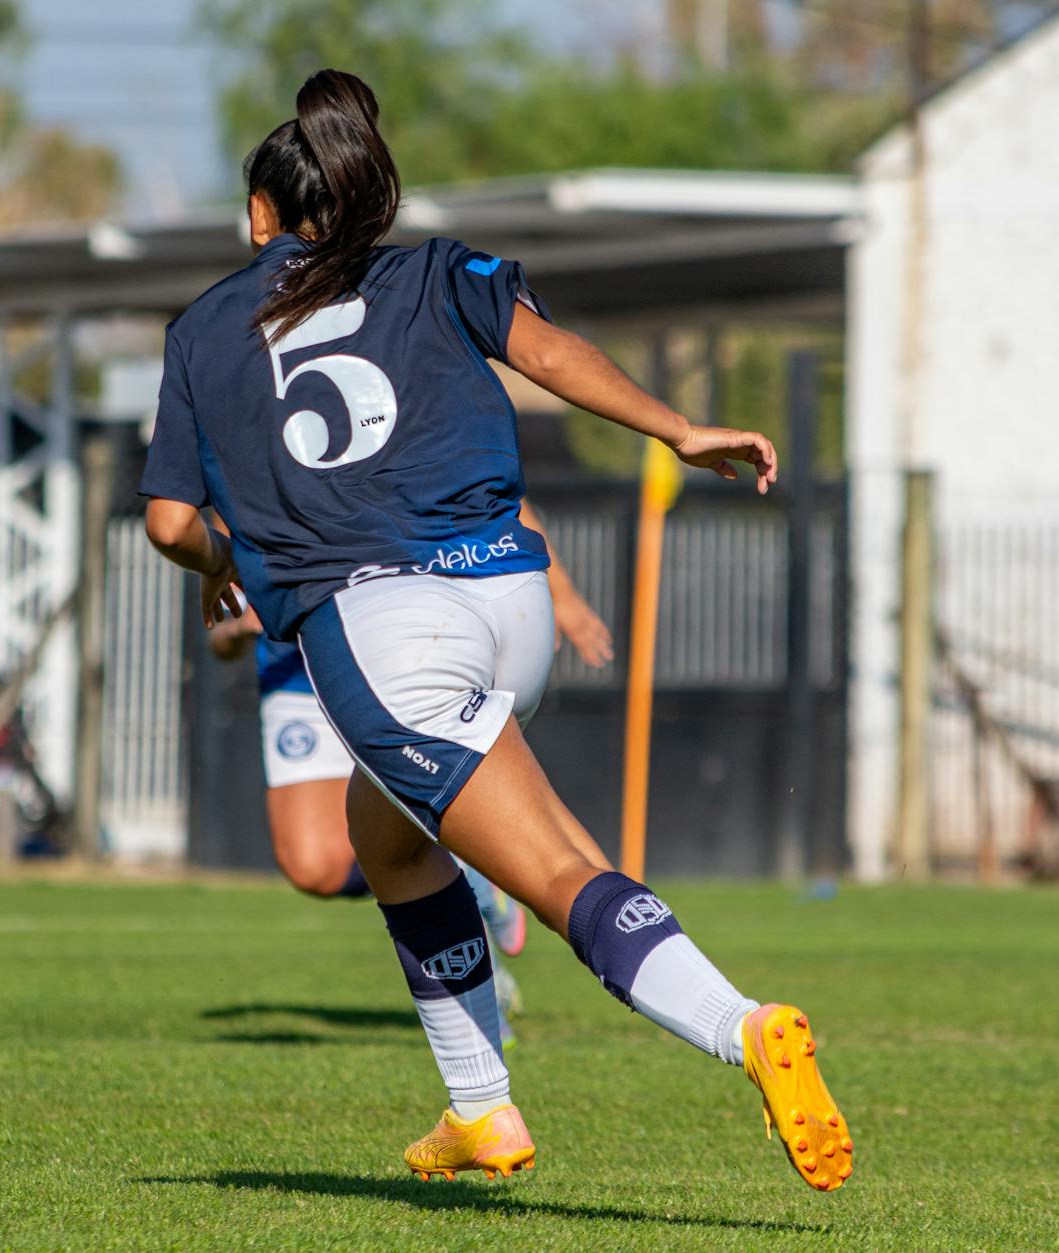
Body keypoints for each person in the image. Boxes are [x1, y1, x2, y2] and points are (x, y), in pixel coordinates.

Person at [140, 69, 851, 1191]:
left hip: (382, 634)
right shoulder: (431, 269)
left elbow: (170, 521)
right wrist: (677, 430)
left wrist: (224, 564)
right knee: (383, 836)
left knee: (561, 871)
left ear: (262, 213)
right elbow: (549, 355)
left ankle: (744, 1024)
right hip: (508, 602)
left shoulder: (205, 329)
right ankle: (480, 1110)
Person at [208, 502, 614, 1043]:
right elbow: (219, 623)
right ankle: (474, 876)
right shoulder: (233, 472)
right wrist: (240, 629)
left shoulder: (360, 430)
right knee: (314, 866)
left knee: (423, 814)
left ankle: (480, 1004)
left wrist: (560, 595)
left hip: (392, 645)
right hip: (294, 671)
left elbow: (502, 496)